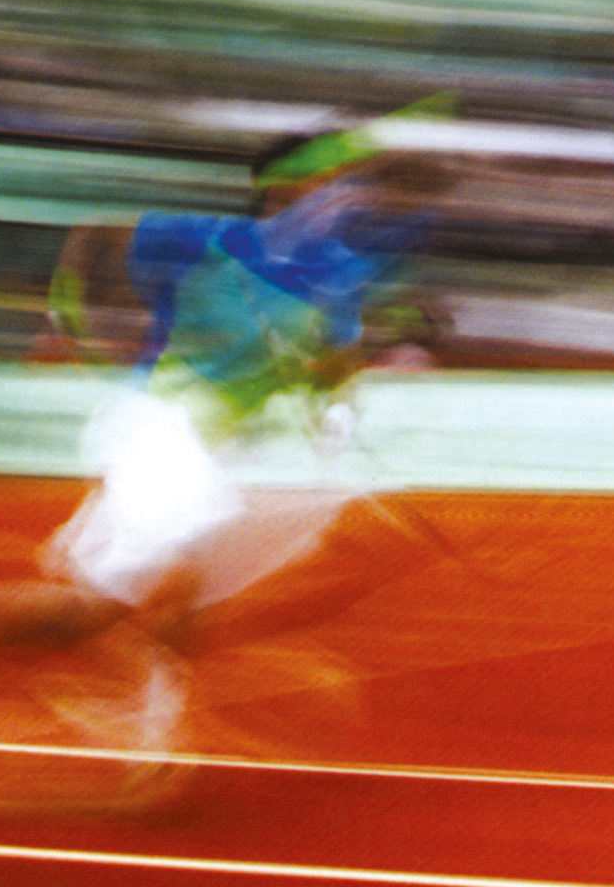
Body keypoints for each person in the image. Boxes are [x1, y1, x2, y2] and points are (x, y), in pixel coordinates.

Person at [37, 97, 459, 639]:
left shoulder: (337, 276)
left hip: (211, 450)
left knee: (191, 609)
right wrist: (67, 323)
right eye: (326, 180)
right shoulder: (205, 240)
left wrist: (330, 406)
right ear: (282, 188)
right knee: (108, 608)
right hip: (160, 431)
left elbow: (335, 367)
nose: (341, 193)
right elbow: (95, 234)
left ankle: (147, 703)